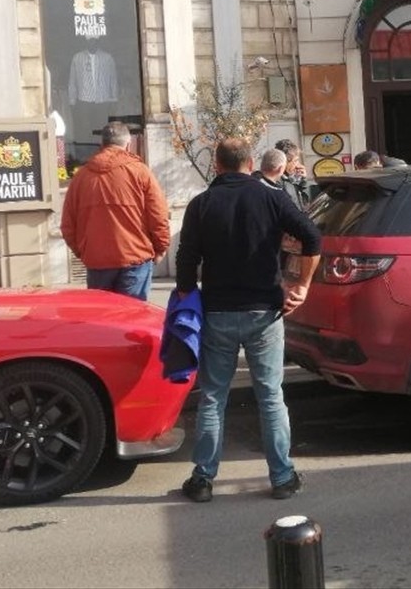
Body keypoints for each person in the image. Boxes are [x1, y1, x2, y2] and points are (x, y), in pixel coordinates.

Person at [176, 138, 322, 503]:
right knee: (271, 396)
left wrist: (185, 299)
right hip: (264, 312)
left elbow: (185, 260)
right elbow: (312, 237)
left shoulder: (201, 204)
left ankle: (203, 479)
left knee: (212, 397)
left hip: (218, 311)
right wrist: (301, 285)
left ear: (216, 164)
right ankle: (283, 478)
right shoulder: (271, 197)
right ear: (251, 162)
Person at [60, 121, 170, 301]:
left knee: (103, 322)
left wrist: (84, 252)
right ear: (128, 144)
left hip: (98, 262)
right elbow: (158, 215)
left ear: (101, 145)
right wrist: (160, 248)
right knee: (133, 319)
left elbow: (67, 225)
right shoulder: (140, 172)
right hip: (135, 257)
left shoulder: (81, 177)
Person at [274, 138, 313, 209]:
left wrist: (303, 182)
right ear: (284, 162)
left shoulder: (292, 178)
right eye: (295, 161)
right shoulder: (277, 181)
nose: (298, 165)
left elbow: (306, 204)